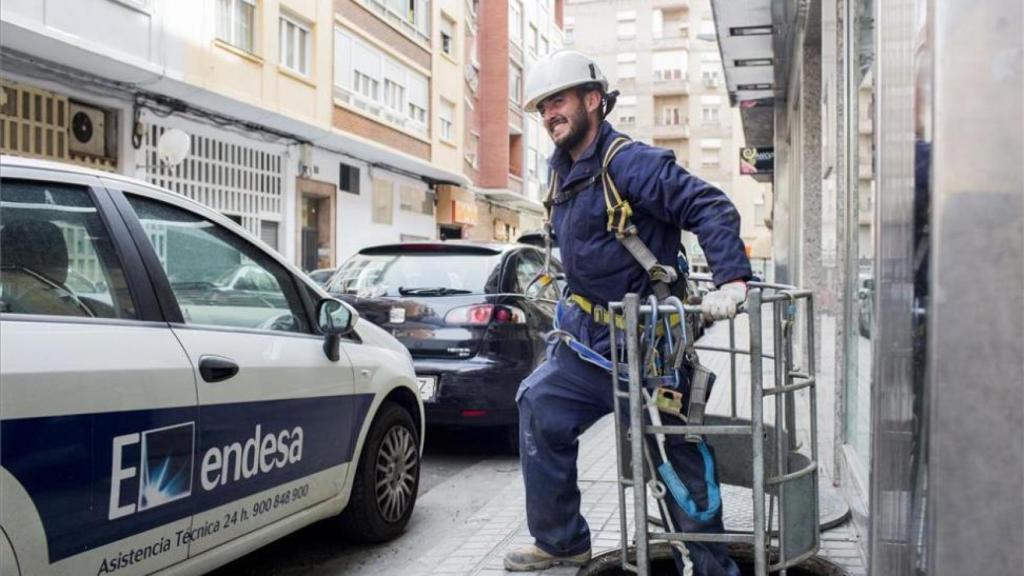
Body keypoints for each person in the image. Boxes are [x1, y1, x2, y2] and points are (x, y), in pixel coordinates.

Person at [503, 51, 751, 576]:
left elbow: (711, 206)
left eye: (560, 101)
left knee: (678, 458)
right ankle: (562, 541)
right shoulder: (563, 174)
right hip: (589, 343)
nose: (550, 114)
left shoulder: (630, 163)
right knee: (539, 405)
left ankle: (714, 568)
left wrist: (731, 280)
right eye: (544, 106)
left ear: (593, 100)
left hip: (651, 347)